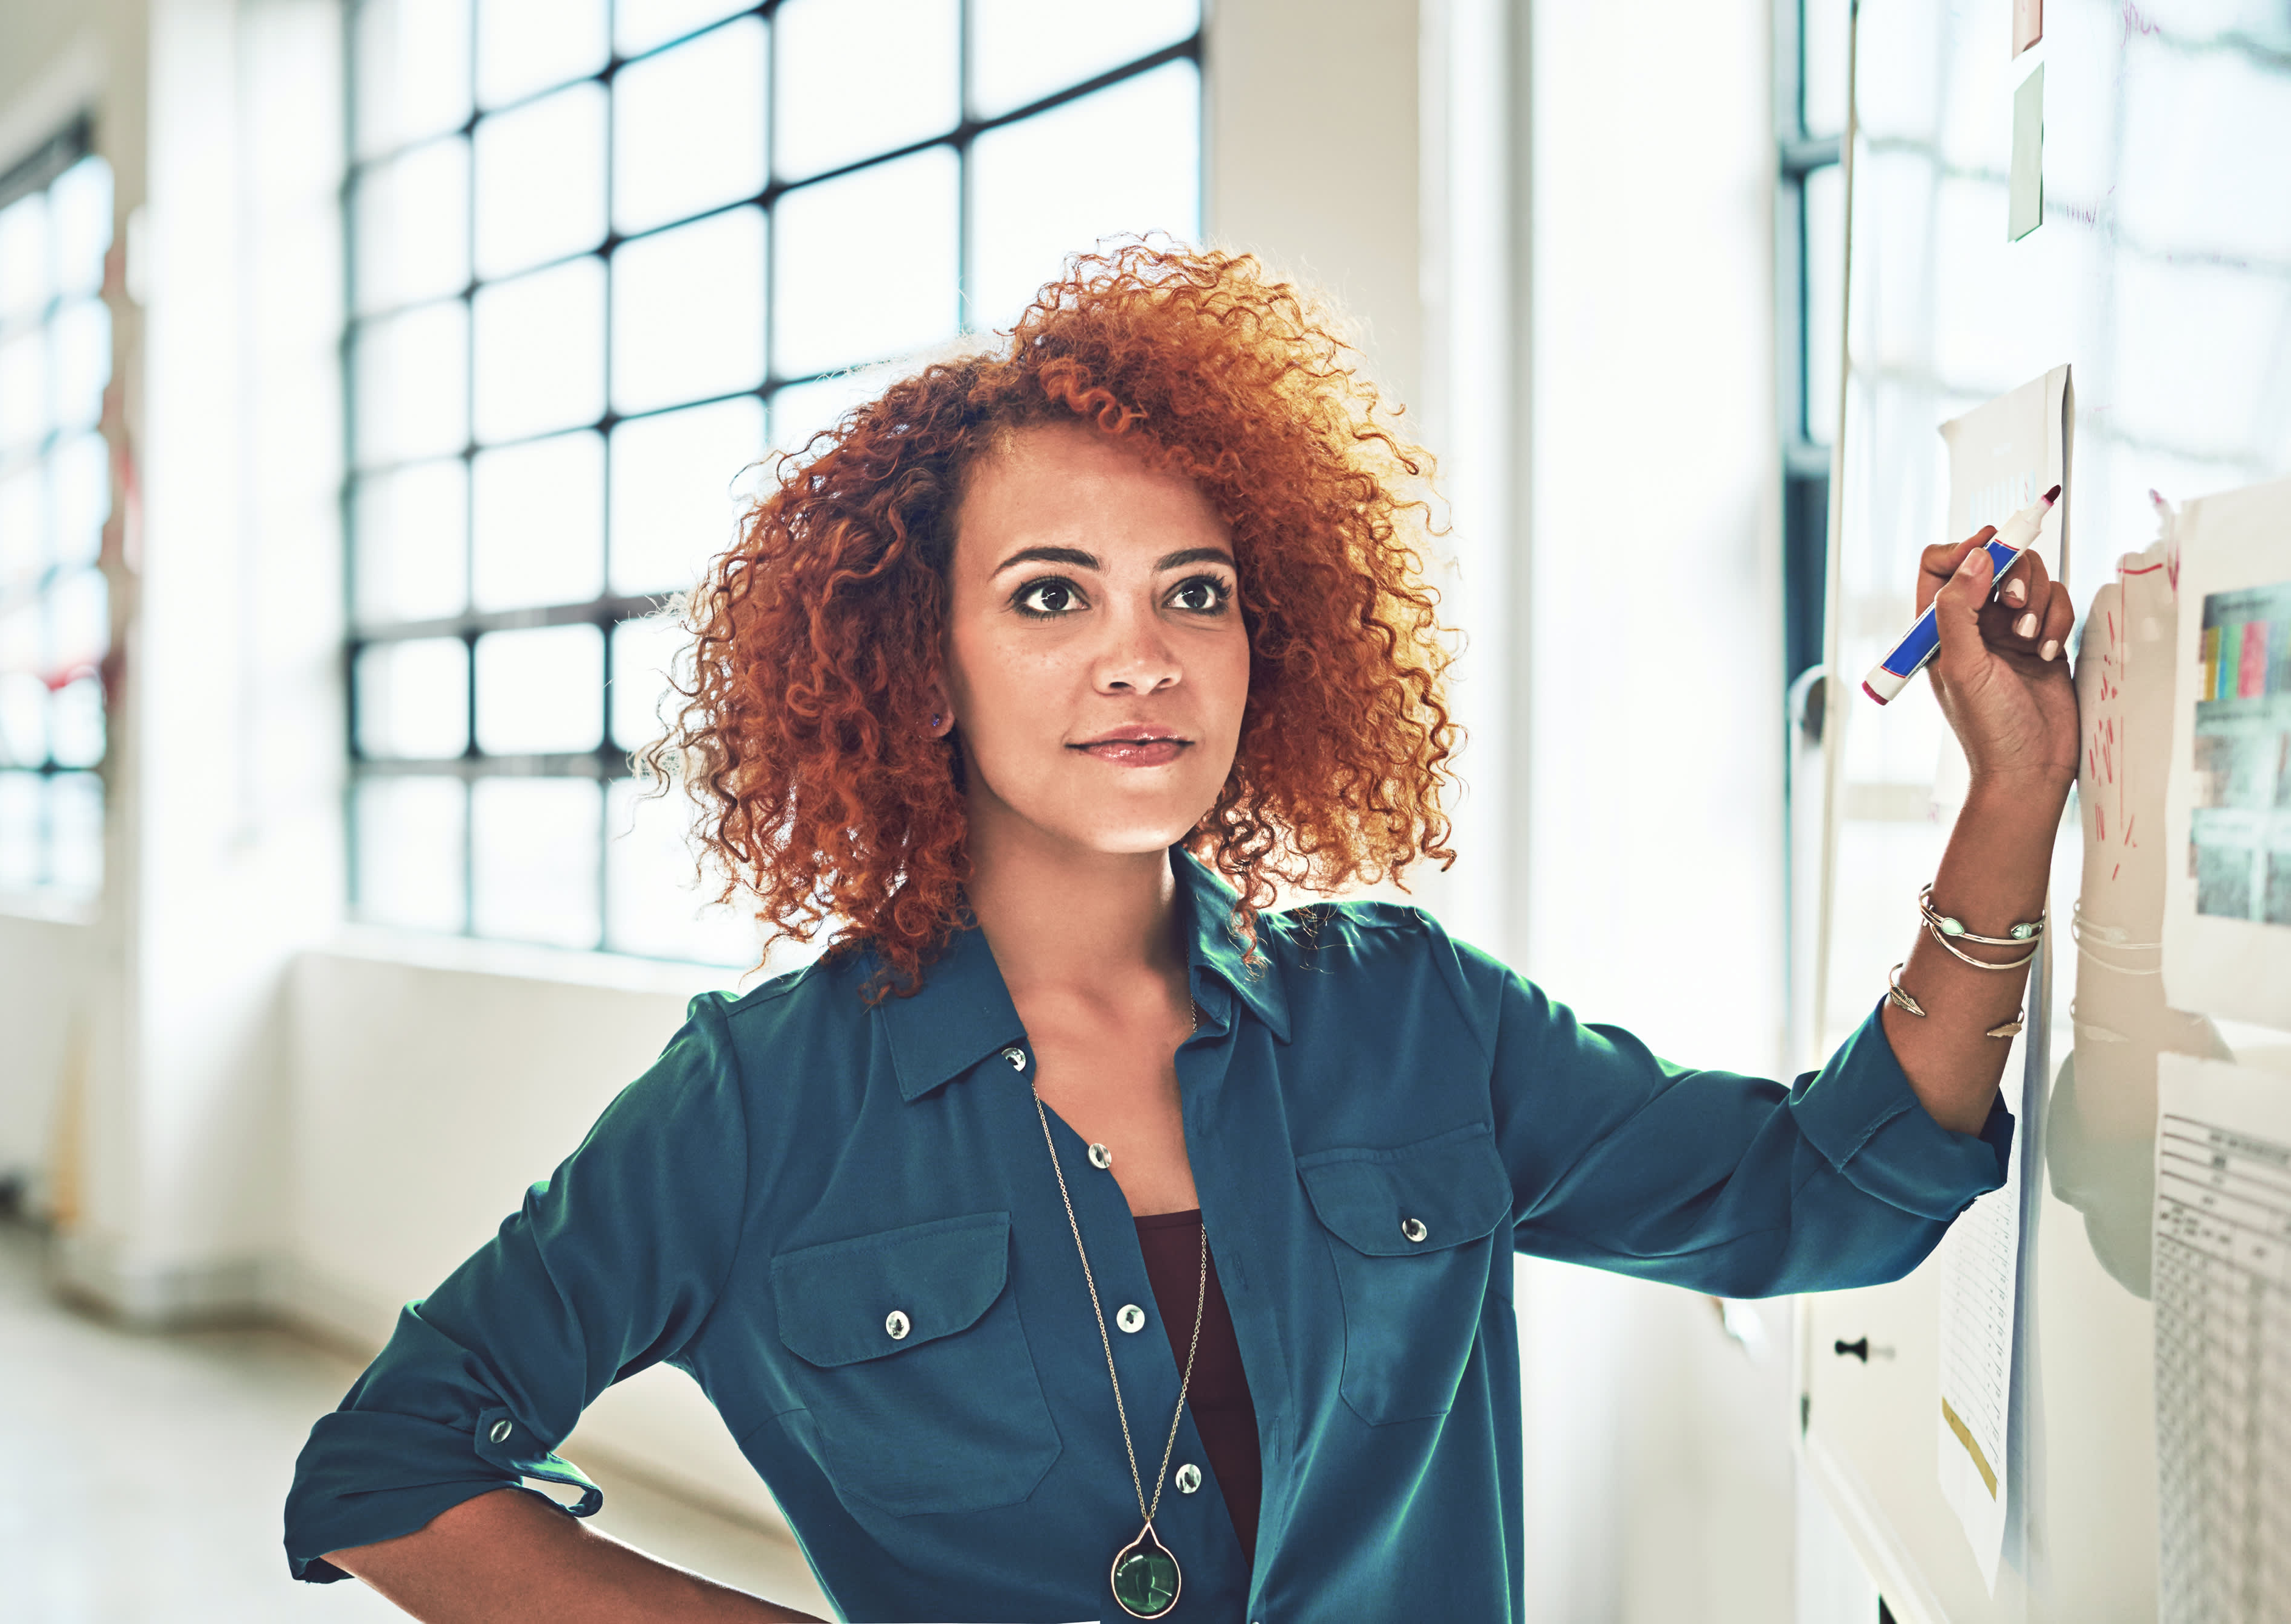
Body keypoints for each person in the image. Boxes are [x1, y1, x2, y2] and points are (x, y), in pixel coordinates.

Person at [283, 244, 2077, 1622]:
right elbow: (386, 1466)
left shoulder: (1414, 1022)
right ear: (920, 663)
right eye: (1052, 595)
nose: (1141, 656)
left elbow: (1824, 1196)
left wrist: (2010, 793)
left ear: (1261, 648)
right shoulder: (762, 1103)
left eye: (1195, 595)